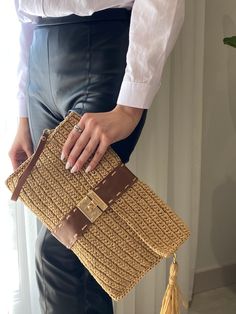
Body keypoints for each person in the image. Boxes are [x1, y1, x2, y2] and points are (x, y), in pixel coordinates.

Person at [9, 1, 185, 313]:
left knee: (59, 249)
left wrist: (130, 107)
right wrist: (23, 115)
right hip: (39, 54)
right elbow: (23, 18)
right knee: (86, 249)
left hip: (100, 49)